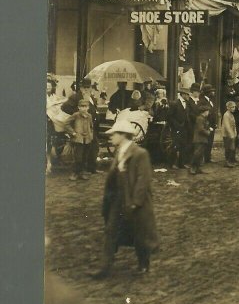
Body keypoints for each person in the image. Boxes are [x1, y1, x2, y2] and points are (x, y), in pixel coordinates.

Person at [90, 120, 159, 279]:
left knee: (139, 233)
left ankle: (144, 264)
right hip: (118, 199)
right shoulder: (119, 152)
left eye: (114, 134)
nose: (111, 137)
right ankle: (104, 268)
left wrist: (136, 201)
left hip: (134, 200)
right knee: (111, 230)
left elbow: (143, 179)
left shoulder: (140, 153)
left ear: (123, 135)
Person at [63, 99, 95, 181]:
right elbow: (66, 124)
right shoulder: (75, 115)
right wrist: (73, 133)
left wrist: (91, 135)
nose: (84, 108)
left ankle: (82, 172)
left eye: (86, 106)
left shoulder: (89, 116)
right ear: (78, 107)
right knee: (78, 157)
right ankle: (75, 173)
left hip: (87, 139)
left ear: (88, 107)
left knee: (85, 157)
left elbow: (91, 126)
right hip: (78, 139)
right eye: (82, 106)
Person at [167, 87, 191, 169]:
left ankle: (182, 163)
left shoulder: (187, 103)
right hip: (176, 128)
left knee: (183, 145)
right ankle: (172, 163)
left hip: (184, 128)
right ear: (183, 94)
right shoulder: (175, 103)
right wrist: (175, 126)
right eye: (187, 94)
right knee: (175, 145)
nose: (188, 96)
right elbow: (169, 117)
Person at [190, 105, 211, 175]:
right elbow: (200, 129)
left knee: (200, 154)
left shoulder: (203, 118)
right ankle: (193, 168)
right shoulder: (200, 118)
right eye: (207, 111)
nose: (208, 112)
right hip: (199, 139)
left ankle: (197, 168)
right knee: (197, 154)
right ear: (204, 112)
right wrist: (208, 132)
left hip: (202, 139)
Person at [221, 101, 238, 167]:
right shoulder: (226, 115)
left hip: (232, 134)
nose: (234, 108)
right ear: (228, 108)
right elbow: (227, 126)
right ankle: (227, 161)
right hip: (227, 134)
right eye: (232, 107)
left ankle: (231, 160)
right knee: (228, 147)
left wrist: (235, 132)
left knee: (232, 147)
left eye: (234, 107)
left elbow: (234, 124)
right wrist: (231, 134)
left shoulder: (231, 114)